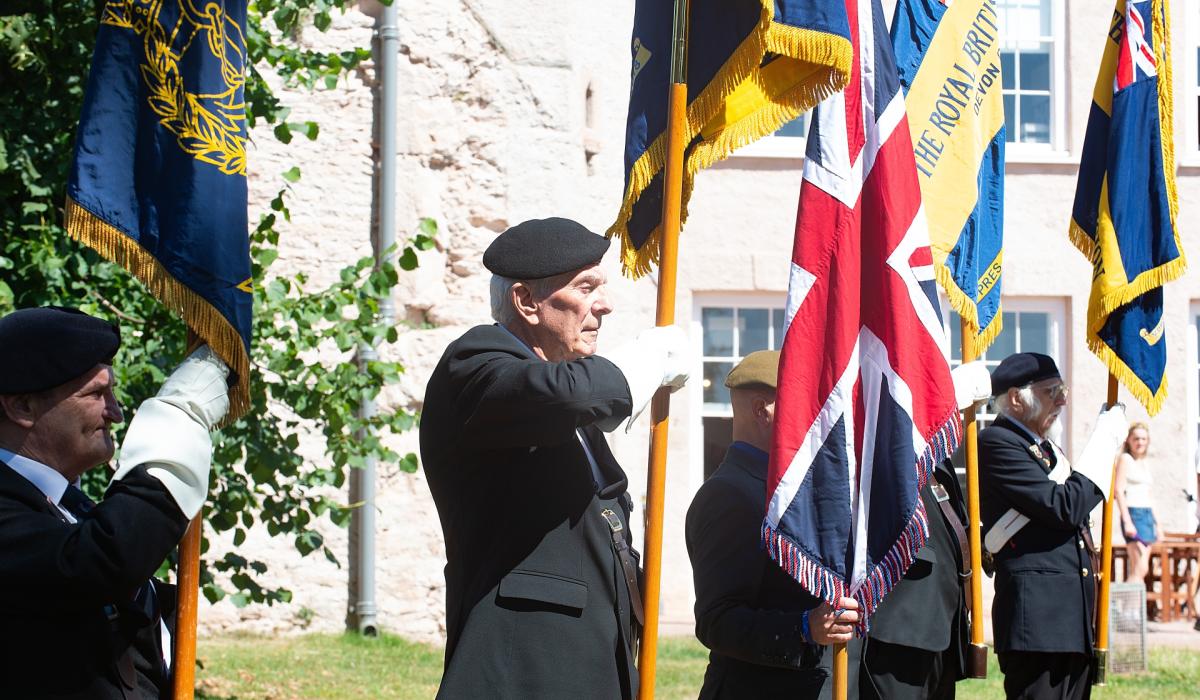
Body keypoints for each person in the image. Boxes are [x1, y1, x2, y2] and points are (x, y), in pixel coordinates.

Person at [419, 218, 689, 699]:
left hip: (593, 664)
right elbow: (567, 397)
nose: (603, 305)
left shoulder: (562, 398)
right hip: (521, 670)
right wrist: (648, 359)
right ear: (526, 302)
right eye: (586, 287)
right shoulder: (477, 364)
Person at [0, 306, 230, 699]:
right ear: (22, 407)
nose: (117, 413)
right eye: (96, 394)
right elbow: (105, 559)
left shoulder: (68, 504)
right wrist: (179, 419)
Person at [684, 350, 860, 700]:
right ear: (763, 410)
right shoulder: (730, 495)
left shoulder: (788, 488)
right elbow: (716, 621)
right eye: (802, 402)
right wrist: (804, 627)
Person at [979, 352, 1126, 700]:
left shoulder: (1045, 450)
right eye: (1052, 391)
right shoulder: (997, 443)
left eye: (1063, 390)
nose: (1062, 400)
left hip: (1070, 621)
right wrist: (1103, 444)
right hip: (1038, 624)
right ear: (1016, 398)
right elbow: (1065, 507)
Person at [860, 360, 992, 699]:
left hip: (938, 627)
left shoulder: (938, 456)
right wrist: (945, 397)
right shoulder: (885, 435)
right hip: (901, 627)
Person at [1114, 422, 1157, 583]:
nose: (1140, 442)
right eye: (1136, 438)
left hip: (1147, 516)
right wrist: (1127, 521)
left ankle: (1130, 607)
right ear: (1129, 441)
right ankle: (1128, 607)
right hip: (1134, 514)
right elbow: (1118, 490)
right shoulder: (1125, 459)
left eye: (1144, 439)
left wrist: (1157, 523)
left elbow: (1149, 495)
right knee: (1140, 567)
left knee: (1141, 568)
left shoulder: (1144, 462)